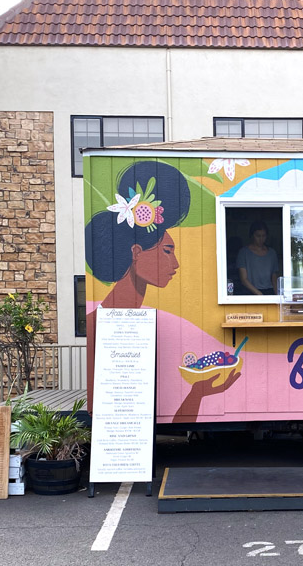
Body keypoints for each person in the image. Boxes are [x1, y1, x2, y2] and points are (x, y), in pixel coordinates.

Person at [85, 161, 240, 420]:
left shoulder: (124, 317)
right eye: (167, 251)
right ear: (136, 252)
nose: (176, 263)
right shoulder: (100, 326)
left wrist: (197, 393)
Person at [236, 220, 280, 295]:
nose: (261, 239)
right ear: (252, 235)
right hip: (250, 292)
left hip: (269, 291)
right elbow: (243, 279)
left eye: (264, 236)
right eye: (258, 236)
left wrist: (277, 296)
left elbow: (274, 278)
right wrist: (259, 294)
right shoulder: (244, 253)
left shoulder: (272, 253)